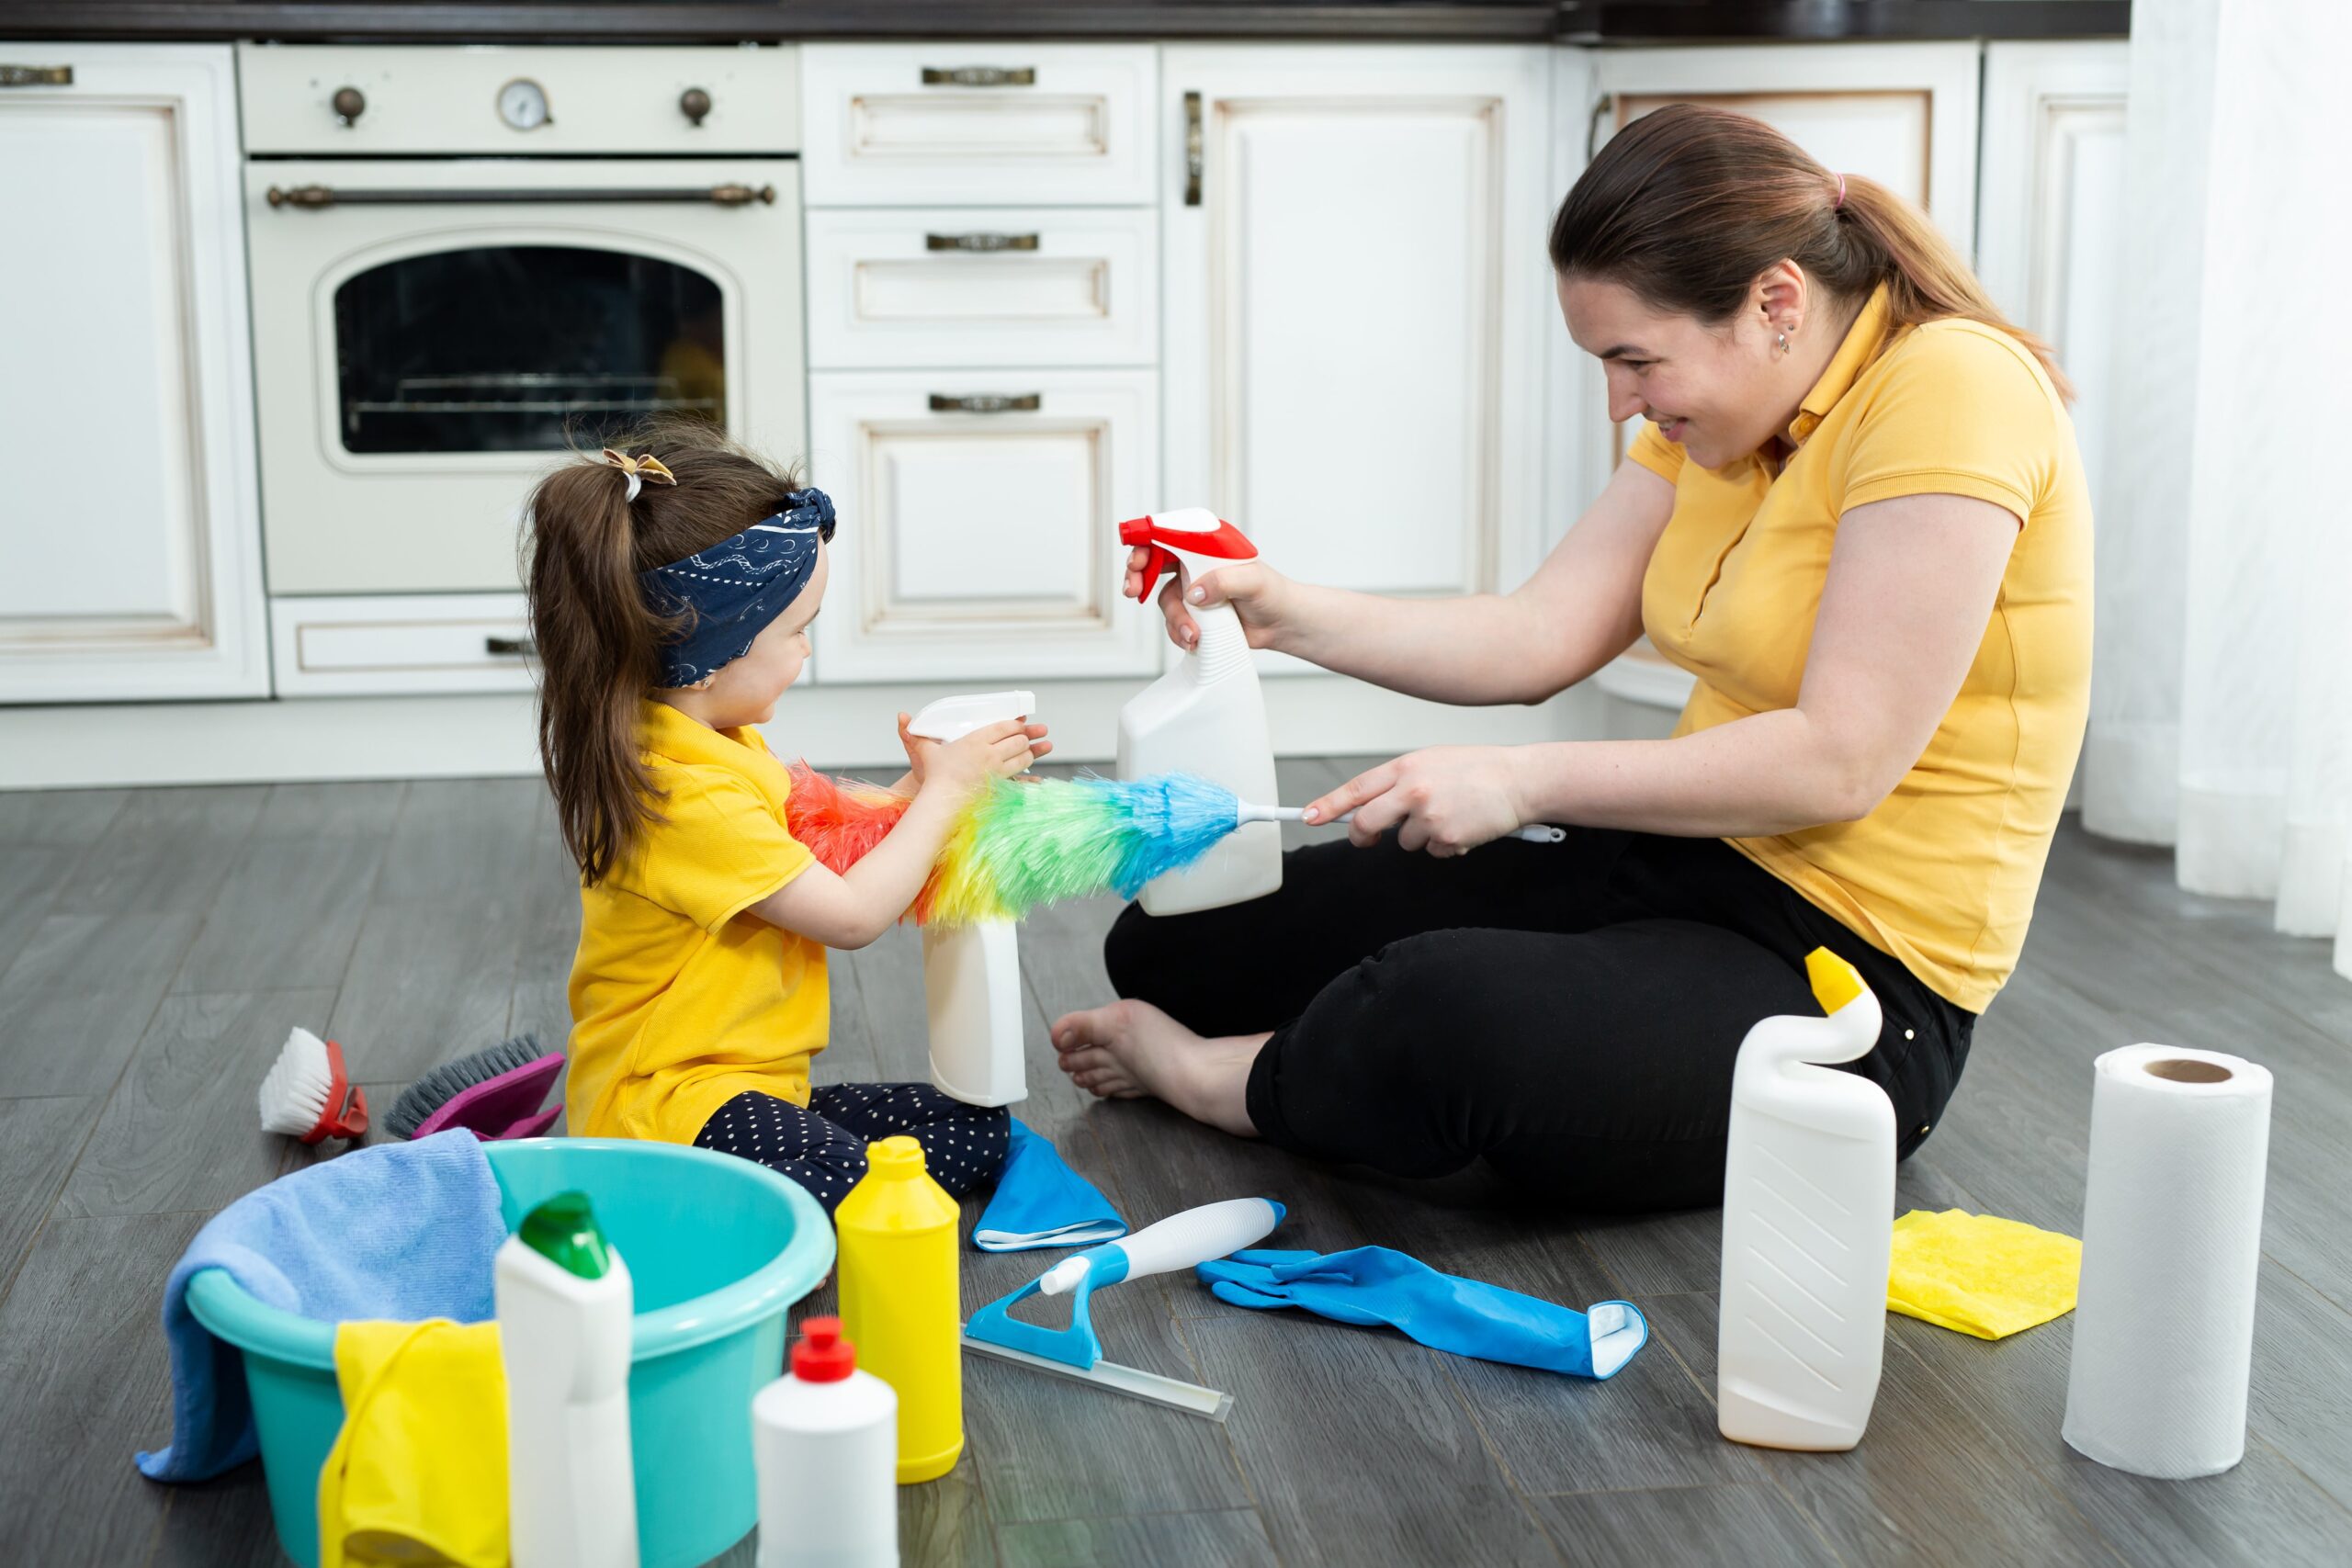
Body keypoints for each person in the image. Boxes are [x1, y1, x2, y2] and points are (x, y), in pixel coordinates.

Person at [1051, 104, 2093, 1212]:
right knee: (1181, 953)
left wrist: (1519, 777)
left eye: (1635, 361)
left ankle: (1226, 1079)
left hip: (1855, 982)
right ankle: (1327, 1059)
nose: (1621, 403)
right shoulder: (1723, 405)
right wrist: (1278, 611)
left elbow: (1842, 760)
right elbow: (1538, 633)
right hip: (1681, 856)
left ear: (1775, 302)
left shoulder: (1952, 388)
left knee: (1438, 1013)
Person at [523, 420, 1048, 1212]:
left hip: (750, 1091)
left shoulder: (713, 738)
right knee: (851, 1182)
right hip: (664, 1115)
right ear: (709, 652)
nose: (806, 652)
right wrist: (943, 795)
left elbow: (812, 848)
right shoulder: (680, 795)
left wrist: (916, 790)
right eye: (794, 631)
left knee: (977, 1125)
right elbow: (849, 915)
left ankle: (794, 1191)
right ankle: (697, 1208)